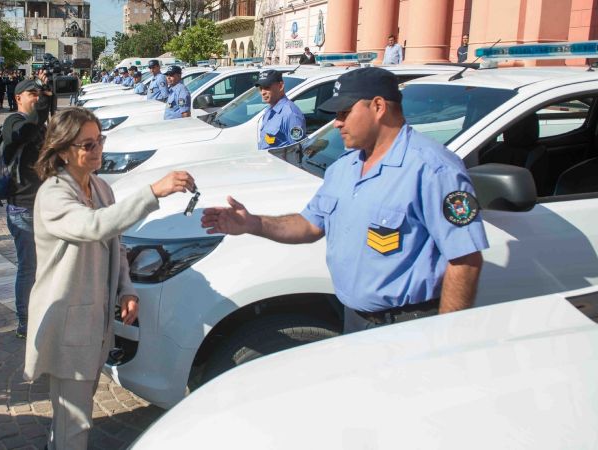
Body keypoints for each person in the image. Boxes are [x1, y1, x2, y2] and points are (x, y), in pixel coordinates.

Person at [202, 67, 488, 334]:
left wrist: (446, 335)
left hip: (410, 326)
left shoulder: (433, 169)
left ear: (378, 107)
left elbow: (465, 260)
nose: (337, 122)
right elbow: (309, 225)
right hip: (355, 319)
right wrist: (253, 223)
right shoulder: (345, 167)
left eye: (345, 112)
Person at [24, 106, 196, 450]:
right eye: (87, 145)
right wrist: (153, 192)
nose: (98, 149)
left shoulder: (101, 188)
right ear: (63, 151)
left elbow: (115, 244)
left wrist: (126, 289)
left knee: (73, 412)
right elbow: (94, 226)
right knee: (74, 420)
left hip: (95, 323)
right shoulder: (53, 194)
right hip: (68, 325)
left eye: (99, 140)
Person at [2, 71, 54, 338]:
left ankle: (43, 314)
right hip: (23, 207)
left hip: (43, 205)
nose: (36, 98)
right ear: (18, 98)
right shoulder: (13, 122)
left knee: (46, 265)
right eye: (32, 94)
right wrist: (43, 105)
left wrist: (49, 97)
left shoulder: (38, 124)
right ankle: (25, 322)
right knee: (29, 266)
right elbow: (26, 132)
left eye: (38, 94)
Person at [255, 69, 306, 150]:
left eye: (267, 87)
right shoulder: (269, 110)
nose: (263, 92)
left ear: (280, 86)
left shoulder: (291, 114)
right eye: (261, 88)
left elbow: (297, 151)